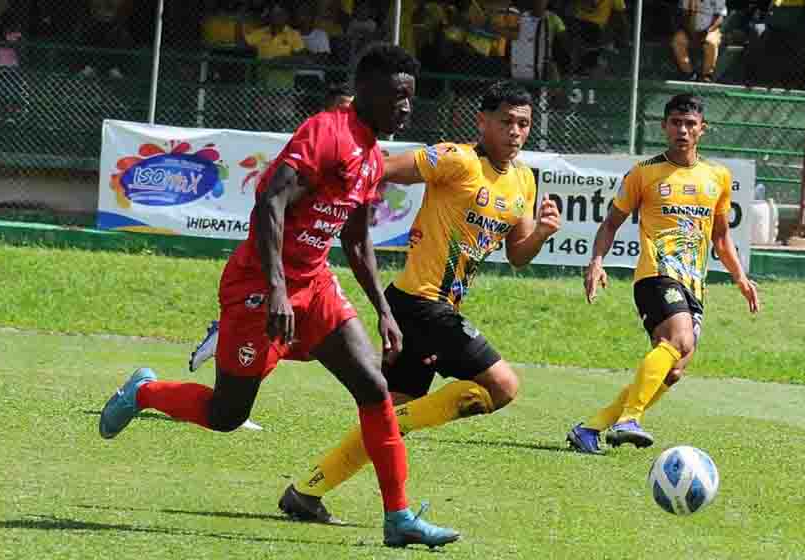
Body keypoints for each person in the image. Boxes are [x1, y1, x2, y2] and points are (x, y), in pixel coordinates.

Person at [97, 44, 460, 549]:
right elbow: (269, 201)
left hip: (316, 285)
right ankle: (144, 392)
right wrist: (276, 292)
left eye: (411, 98)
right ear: (368, 91)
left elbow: (355, 240)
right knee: (228, 414)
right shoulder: (326, 133)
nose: (406, 107)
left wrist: (383, 311)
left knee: (374, 388)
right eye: (398, 96)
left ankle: (397, 517)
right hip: (257, 285)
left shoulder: (374, 159)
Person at [187, 82, 562, 524]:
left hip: (433, 309)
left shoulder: (524, 180)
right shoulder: (456, 159)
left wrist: (540, 232)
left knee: (380, 410)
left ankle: (305, 493)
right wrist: (332, 193)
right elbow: (376, 166)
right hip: (421, 304)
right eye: (506, 122)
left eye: (524, 123)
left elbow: (518, 255)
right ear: (482, 122)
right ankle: (391, 434)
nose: (516, 131)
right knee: (503, 387)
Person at [566, 93, 759, 454]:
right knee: (679, 339)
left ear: (702, 129)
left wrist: (740, 277)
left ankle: (589, 429)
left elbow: (720, 235)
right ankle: (629, 418)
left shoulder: (718, 176)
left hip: (694, 284)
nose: (682, 130)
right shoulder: (645, 172)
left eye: (689, 124)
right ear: (664, 127)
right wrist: (596, 261)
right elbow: (610, 223)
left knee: (673, 369)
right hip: (656, 275)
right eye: (675, 123)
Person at [673, 0, 727, 82]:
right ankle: (688, 73)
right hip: (689, 29)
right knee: (677, 41)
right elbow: (684, 14)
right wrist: (690, 32)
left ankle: (706, 75)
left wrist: (707, 32)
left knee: (711, 43)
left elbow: (720, 18)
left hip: (710, 30)